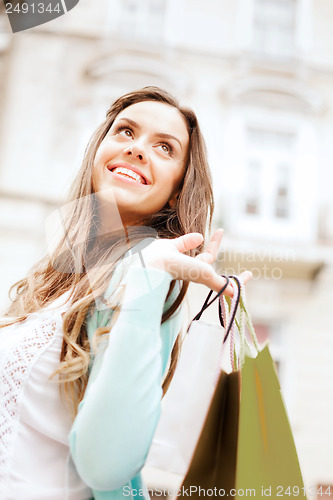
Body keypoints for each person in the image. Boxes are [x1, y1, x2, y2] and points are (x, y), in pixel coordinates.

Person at [0, 86, 252, 499]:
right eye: (125, 131)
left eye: (165, 148)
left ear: (176, 189)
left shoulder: (149, 281)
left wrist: (147, 280)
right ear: (98, 150)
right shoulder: (54, 278)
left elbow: (106, 467)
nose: (137, 149)